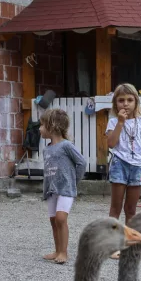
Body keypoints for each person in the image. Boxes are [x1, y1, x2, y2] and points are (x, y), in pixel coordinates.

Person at [106, 83, 141, 260]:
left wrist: (138, 154)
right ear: (115, 103)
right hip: (120, 164)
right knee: (116, 206)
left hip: (138, 166)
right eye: (121, 100)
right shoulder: (113, 121)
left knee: (131, 209)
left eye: (129, 100)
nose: (125, 104)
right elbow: (111, 144)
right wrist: (120, 123)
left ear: (136, 101)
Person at [39, 108, 86, 265]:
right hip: (51, 190)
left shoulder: (67, 146)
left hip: (66, 189)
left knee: (60, 218)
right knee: (53, 220)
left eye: (42, 125)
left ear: (52, 126)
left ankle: (64, 253)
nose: (39, 129)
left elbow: (81, 162)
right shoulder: (47, 149)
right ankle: (57, 250)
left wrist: (74, 180)